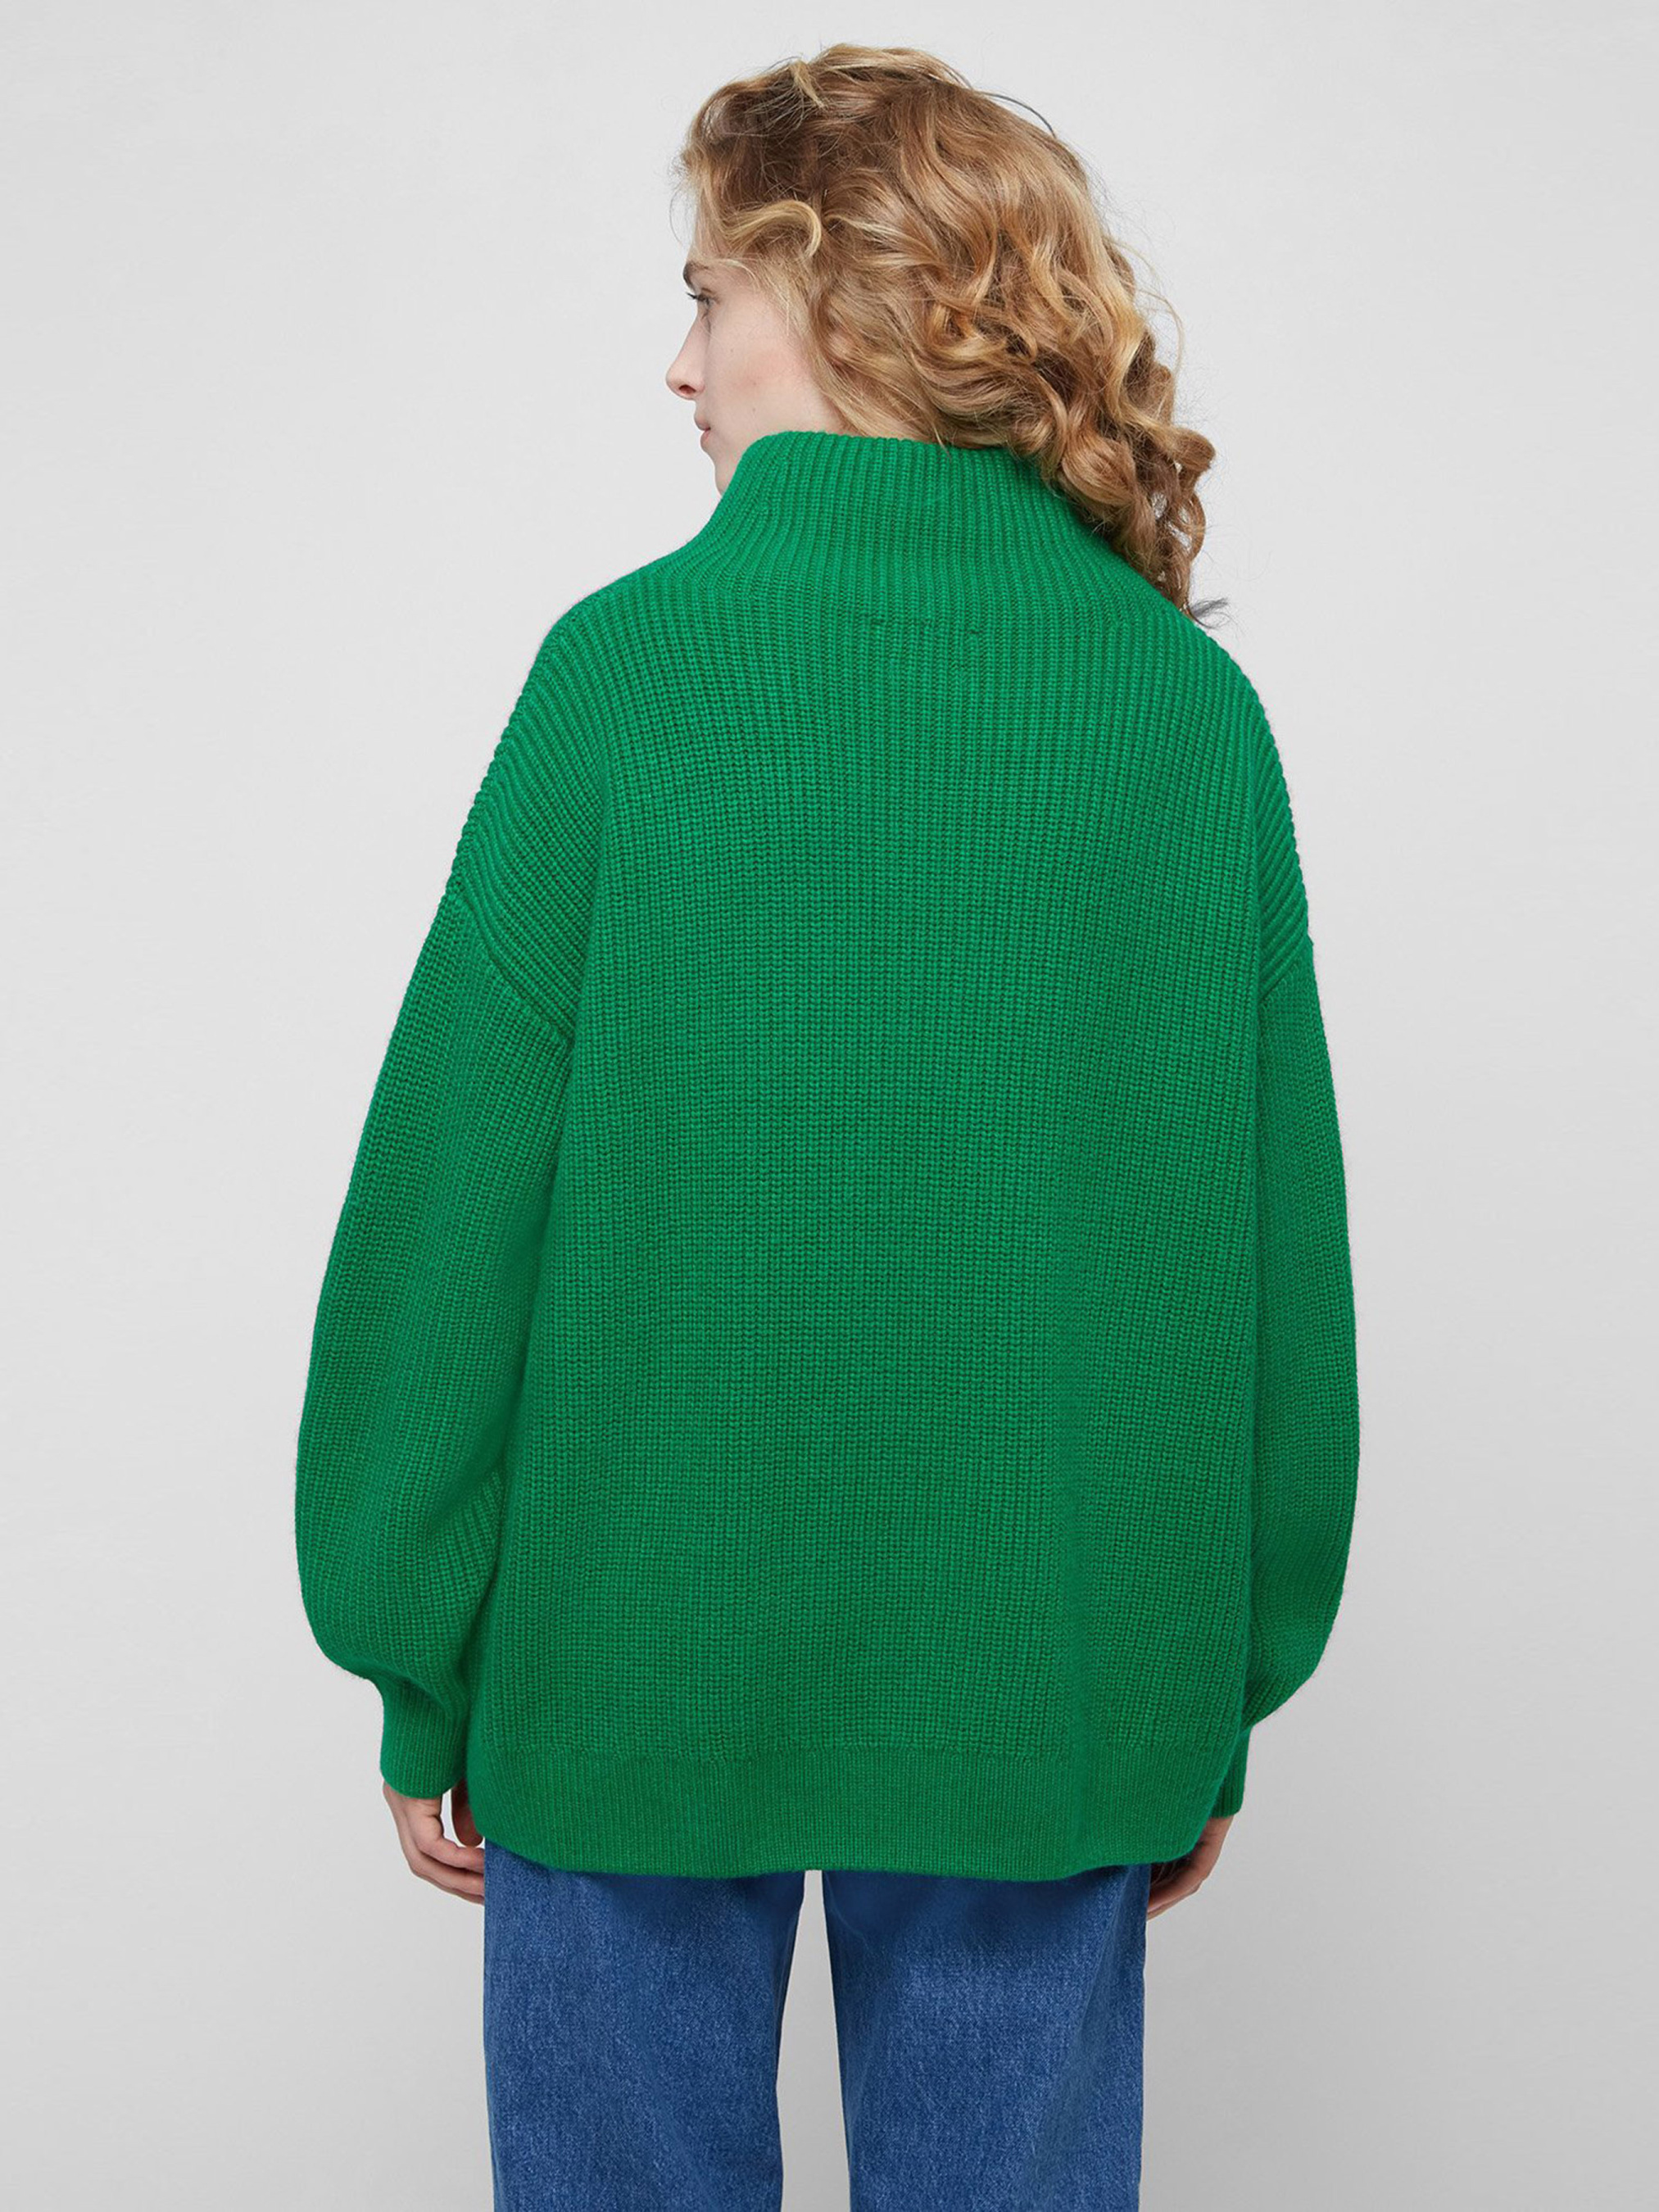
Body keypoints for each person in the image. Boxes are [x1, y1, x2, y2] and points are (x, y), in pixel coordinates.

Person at [293, 42, 1360, 2210]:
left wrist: (417, 1648)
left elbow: (450, 1204)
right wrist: (1207, 1683)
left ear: (844, 289)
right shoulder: (1182, 714)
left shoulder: (627, 672)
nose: (676, 363)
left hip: (619, 1667)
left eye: (707, 295)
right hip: (1045, 1680)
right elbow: (1266, 1255)